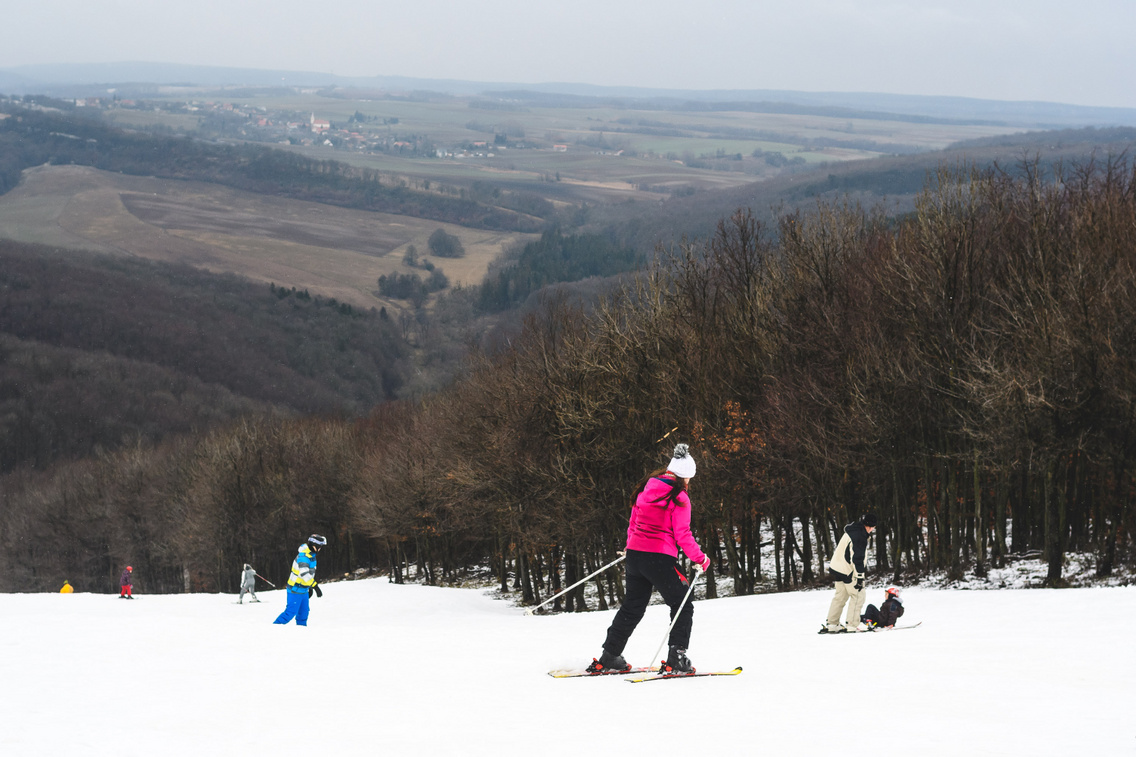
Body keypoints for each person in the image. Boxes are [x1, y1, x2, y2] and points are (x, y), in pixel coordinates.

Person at [588, 444, 711, 674]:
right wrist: (701, 558)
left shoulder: (646, 488)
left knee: (633, 607)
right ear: (684, 477)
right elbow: (682, 534)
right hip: (659, 558)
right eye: (689, 479)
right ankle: (677, 659)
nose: (689, 483)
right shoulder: (679, 497)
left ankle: (610, 656)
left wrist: (630, 547)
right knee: (682, 603)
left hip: (635, 557)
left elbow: (633, 523)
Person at [819, 514, 876, 633]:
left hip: (838, 568)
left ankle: (832, 624)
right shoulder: (860, 536)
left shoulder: (853, 529)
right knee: (858, 595)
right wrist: (860, 577)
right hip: (848, 570)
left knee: (840, 597)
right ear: (870, 526)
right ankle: (853, 624)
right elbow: (857, 558)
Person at [273, 534, 326, 626]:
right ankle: (274, 628)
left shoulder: (311, 555)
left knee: (304, 612)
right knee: (290, 613)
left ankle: (302, 632)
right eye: (319, 547)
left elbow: (309, 575)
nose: (320, 549)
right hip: (295, 589)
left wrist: (308, 587)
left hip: (303, 589)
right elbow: (304, 574)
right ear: (313, 546)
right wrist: (315, 586)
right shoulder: (303, 557)